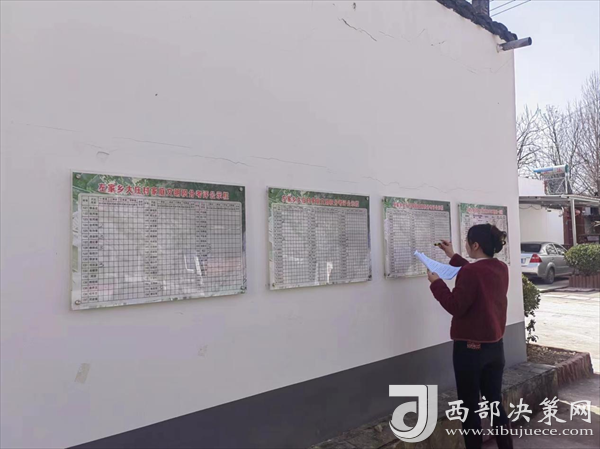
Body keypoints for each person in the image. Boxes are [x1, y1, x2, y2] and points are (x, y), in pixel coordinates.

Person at [427, 224, 513, 449]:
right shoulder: (501, 268)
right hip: (495, 347)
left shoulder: (472, 272)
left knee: (470, 408)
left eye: (467, 242)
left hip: (470, 351)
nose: (465, 245)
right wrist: (452, 256)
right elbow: (477, 274)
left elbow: (455, 306)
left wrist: (437, 284)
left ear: (475, 245)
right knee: (494, 403)